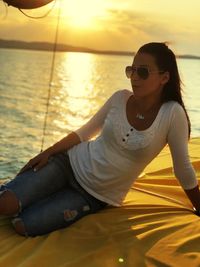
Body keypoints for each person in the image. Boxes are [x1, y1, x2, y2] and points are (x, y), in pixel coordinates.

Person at [0, 42, 200, 237]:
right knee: (5, 204)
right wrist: (48, 153)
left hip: (93, 195)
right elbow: (84, 133)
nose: (135, 78)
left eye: (143, 72)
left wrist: (198, 206)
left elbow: (182, 168)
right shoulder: (120, 98)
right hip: (68, 163)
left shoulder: (173, 114)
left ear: (164, 77)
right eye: (132, 70)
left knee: (24, 225)